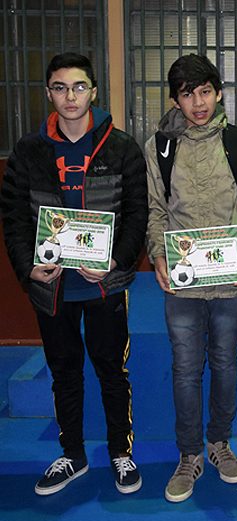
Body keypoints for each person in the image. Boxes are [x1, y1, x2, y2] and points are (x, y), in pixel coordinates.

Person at [0, 53, 147, 495]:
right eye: (60, 87)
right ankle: (73, 455)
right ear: (49, 93)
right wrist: (29, 269)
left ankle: (121, 453)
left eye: (79, 87)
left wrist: (116, 261)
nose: (70, 96)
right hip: (53, 286)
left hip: (104, 285)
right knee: (64, 371)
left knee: (111, 370)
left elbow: (137, 215)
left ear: (94, 91)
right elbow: (13, 216)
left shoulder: (121, 147)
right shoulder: (29, 151)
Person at [144, 53, 237, 503]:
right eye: (186, 94)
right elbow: (156, 209)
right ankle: (189, 454)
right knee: (184, 368)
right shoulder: (159, 146)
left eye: (204, 92)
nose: (197, 102)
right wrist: (158, 253)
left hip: (233, 277)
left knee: (225, 362)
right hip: (182, 278)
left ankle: (219, 443)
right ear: (175, 99)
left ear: (218, 93)